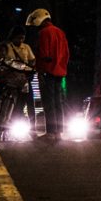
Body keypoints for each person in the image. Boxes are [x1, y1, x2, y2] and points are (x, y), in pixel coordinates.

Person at [29, 7, 70, 138]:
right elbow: (67, 54)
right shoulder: (60, 32)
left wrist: (40, 68)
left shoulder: (44, 33)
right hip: (60, 71)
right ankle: (59, 131)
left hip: (47, 71)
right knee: (59, 102)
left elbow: (43, 53)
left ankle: (51, 131)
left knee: (49, 102)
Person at [0, 29, 36, 135]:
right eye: (18, 38)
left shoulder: (26, 47)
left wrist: (31, 68)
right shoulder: (5, 47)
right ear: (13, 37)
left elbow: (32, 60)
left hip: (22, 79)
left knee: (29, 101)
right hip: (7, 79)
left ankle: (32, 129)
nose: (20, 40)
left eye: (22, 38)